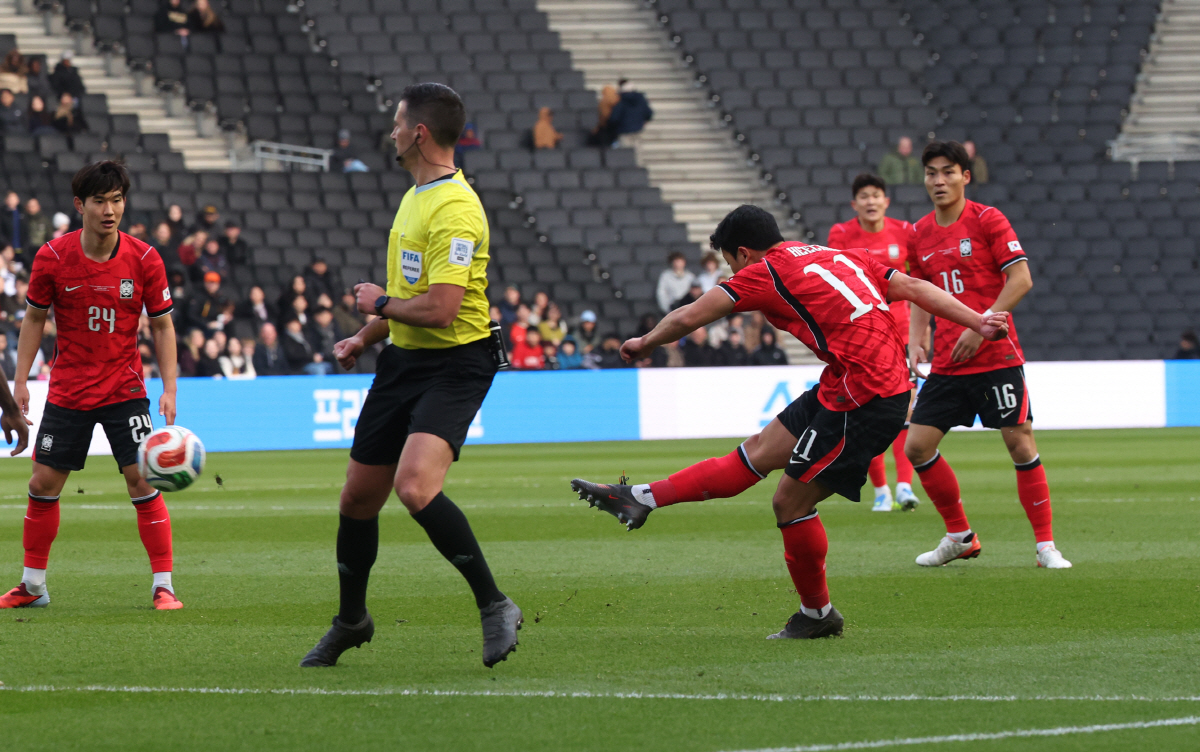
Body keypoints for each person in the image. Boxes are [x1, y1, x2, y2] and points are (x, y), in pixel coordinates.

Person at [570, 204, 1010, 640]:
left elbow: (688, 316)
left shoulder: (765, 272)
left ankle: (817, 615)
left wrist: (644, 343)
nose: (731, 273)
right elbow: (914, 285)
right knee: (758, 451)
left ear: (743, 253)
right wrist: (979, 319)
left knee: (790, 503)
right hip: (850, 380)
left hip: (866, 394)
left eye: (729, 263)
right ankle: (641, 498)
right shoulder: (839, 254)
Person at [300, 83, 522, 669]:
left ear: (419, 133)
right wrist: (364, 336)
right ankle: (352, 620)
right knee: (357, 498)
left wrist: (376, 306)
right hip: (404, 359)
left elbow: (443, 308)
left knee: (415, 486)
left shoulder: (454, 207)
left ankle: (495, 604)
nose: (392, 131)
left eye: (398, 123)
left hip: (457, 362)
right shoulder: (416, 195)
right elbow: (411, 298)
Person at [2, 161, 183, 611]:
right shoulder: (53, 257)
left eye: (117, 200)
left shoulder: (144, 259)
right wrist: (20, 381)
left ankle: (164, 586)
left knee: (141, 480)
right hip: (68, 389)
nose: (110, 209)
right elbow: (35, 319)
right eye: (100, 201)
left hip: (124, 387)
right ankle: (32, 585)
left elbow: (162, 327)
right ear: (80, 205)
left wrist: (170, 388)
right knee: (43, 482)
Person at [906, 140, 1071, 569]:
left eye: (947, 171)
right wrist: (915, 338)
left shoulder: (987, 219)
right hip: (948, 360)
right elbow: (919, 293)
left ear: (965, 175)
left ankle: (1045, 547)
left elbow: (1021, 279)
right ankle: (960, 535)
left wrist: (982, 327)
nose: (938, 180)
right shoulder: (919, 233)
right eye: (930, 173)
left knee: (1019, 443)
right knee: (917, 447)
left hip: (995, 354)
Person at [827, 173, 920, 513]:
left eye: (875, 195)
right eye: (863, 196)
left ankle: (906, 487)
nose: (870, 201)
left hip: (904, 332)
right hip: (865, 334)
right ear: (854, 204)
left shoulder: (904, 232)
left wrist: (921, 334)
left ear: (886, 201)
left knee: (905, 411)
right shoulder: (841, 234)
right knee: (873, 412)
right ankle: (881, 490)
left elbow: (917, 280)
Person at [607, 79, 653, 148]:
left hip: (624, 131)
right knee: (637, 152)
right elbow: (649, 113)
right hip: (638, 130)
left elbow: (614, 118)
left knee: (626, 152)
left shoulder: (621, 102)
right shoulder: (641, 100)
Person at [0, 192, 23, 258]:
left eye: (13, 199)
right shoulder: (2, 214)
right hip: (6, 247)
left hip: (20, 248)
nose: (11, 201)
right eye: (10, 199)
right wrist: (6, 245)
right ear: (6, 200)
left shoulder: (22, 213)